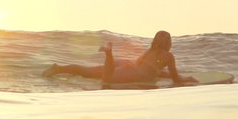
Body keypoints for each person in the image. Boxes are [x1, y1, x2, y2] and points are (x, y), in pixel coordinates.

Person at [42, 30, 196, 84]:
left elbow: (151, 68)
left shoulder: (149, 51)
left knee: (88, 71)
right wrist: (188, 79)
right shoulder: (168, 56)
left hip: (129, 66)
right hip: (133, 72)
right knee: (107, 79)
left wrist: (162, 74)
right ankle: (109, 53)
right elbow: (176, 79)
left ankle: (58, 68)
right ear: (168, 42)